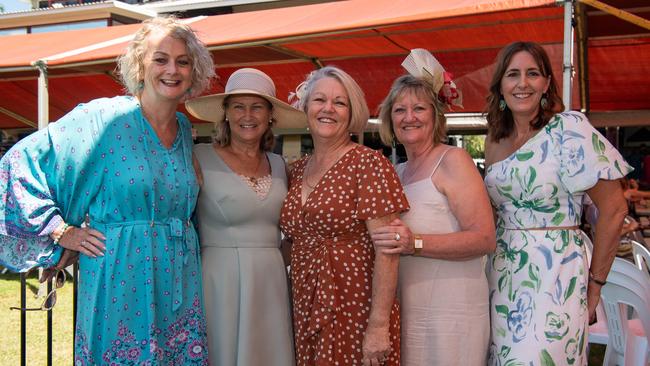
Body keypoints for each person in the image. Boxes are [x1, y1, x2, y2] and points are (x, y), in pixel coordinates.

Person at [0, 16, 215, 364]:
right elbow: (18, 164)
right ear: (140, 65)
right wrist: (59, 231)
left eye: (183, 61)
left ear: (194, 71)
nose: (172, 69)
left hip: (179, 275)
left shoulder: (184, 127)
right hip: (119, 273)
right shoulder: (102, 119)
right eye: (160, 59)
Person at [483, 41, 632, 366]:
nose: (522, 83)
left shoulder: (569, 129)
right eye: (513, 74)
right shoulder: (494, 137)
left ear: (547, 83)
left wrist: (595, 285)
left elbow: (615, 209)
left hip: (556, 273)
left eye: (532, 73)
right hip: (502, 276)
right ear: (501, 85)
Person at [371, 48, 495, 365]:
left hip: (452, 311)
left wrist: (415, 243)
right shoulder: (395, 171)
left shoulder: (453, 161)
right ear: (389, 119)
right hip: (408, 307)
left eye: (419, 108)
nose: (409, 117)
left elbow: (484, 238)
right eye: (400, 110)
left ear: (435, 115)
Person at [280, 66, 409, 366]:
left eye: (340, 102)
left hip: (355, 305)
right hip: (306, 302)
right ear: (305, 106)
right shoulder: (297, 169)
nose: (328, 109)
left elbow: (387, 250)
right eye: (319, 100)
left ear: (352, 113)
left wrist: (378, 326)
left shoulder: (368, 163)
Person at [185, 68, 306, 366]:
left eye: (257, 107)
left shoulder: (280, 165)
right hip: (218, 279)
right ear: (225, 113)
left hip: (272, 280)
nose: (247, 115)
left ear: (270, 116)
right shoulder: (197, 157)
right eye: (238, 106)